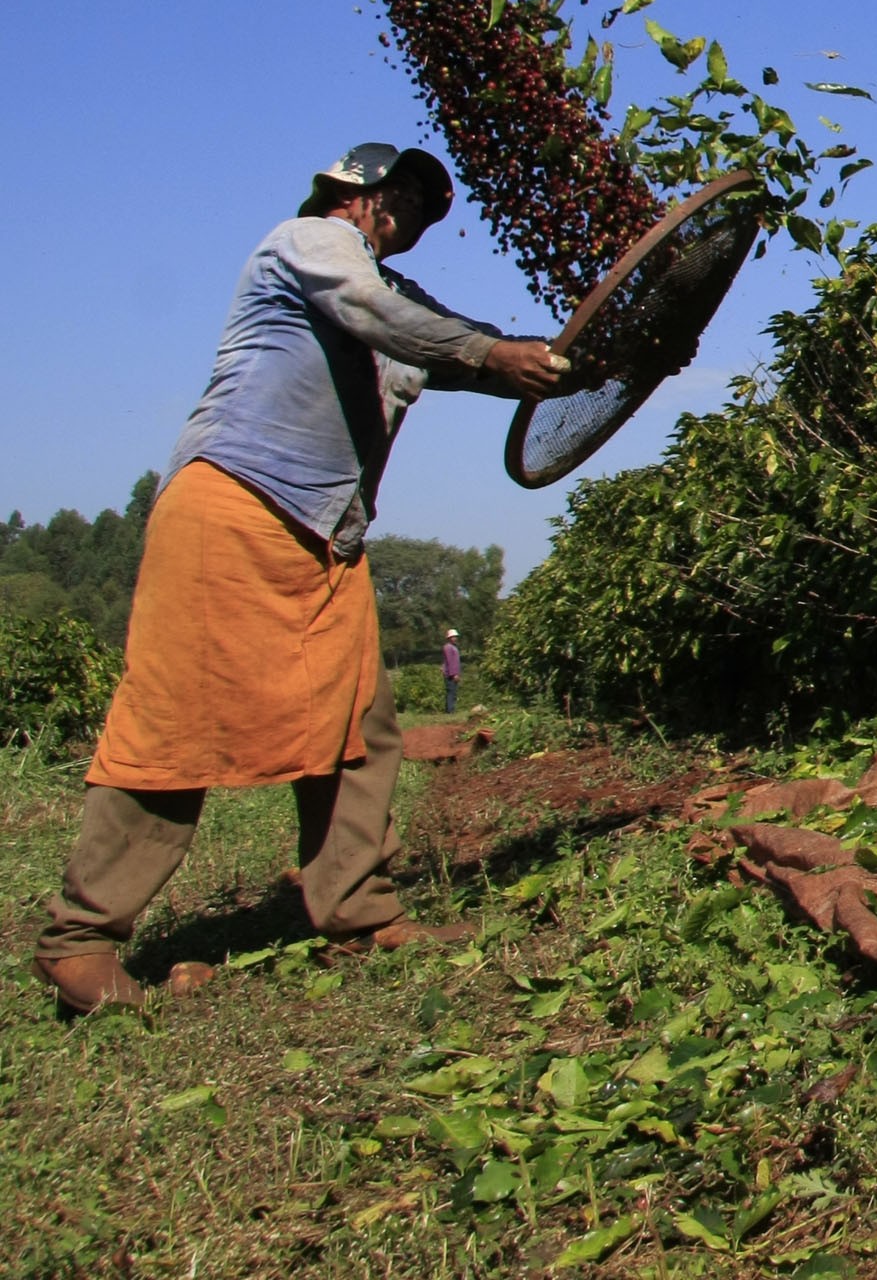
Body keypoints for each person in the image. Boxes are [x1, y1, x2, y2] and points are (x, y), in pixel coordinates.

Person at [32, 144, 568, 1013]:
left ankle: (357, 913)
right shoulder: (310, 244)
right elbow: (384, 316)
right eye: (403, 195)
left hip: (327, 536)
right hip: (236, 504)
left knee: (361, 728)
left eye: (431, 209)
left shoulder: (403, 302)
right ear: (355, 192)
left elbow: (474, 358)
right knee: (176, 725)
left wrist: (583, 362)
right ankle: (81, 939)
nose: (414, 217)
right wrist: (489, 350)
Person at [442, 628, 462, 714]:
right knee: (451, 691)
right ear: (449, 638)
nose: (455, 638)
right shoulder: (448, 647)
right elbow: (450, 662)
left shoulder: (453, 647)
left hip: (453, 673)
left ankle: (450, 709)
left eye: (455, 637)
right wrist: (454, 674)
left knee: (453, 692)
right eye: (453, 637)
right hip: (450, 674)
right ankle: (450, 710)